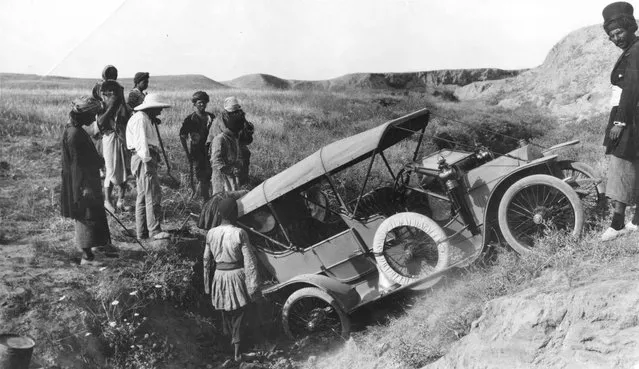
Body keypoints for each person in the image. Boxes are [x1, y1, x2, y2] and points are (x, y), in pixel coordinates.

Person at [60, 96, 118, 266]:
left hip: (86, 179)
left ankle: (94, 249)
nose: (93, 119)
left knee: (92, 214)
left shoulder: (75, 129)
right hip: (82, 182)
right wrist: (84, 187)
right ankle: (87, 257)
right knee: (85, 215)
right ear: (82, 115)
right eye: (91, 115)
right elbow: (77, 164)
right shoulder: (74, 134)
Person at [600, 1, 639, 241]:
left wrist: (620, 123)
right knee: (634, 164)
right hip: (630, 115)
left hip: (630, 117)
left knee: (620, 166)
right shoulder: (632, 50)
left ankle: (617, 224)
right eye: (612, 35)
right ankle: (635, 222)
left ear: (630, 28)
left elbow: (631, 89)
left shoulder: (635, 51)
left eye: (619, 32)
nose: (616, 38)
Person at [203, 197, 259, 362]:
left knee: (226, 312)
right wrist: (253, 285)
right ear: (234, 213)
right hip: (236, 275)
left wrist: (207, 285)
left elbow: (206, 260)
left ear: (220, 213)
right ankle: (238, 351)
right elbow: (250, 261)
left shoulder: (211, 233)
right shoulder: (239, 233)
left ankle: (229, 350)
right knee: (240, 313)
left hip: (219, 276)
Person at [125, 93, 171, 240]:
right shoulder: (140, 119)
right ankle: (154, 230)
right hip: (143, 158)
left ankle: (142, 231)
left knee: (144, 195)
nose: (160, 111)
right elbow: (141, 143)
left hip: (144, 157)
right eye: (158, 108)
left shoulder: (146, 119)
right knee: (152, 194)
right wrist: (147, 160)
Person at [97, 80, 132, 213]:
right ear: (105, 94)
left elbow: (126, 118)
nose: (113, 95)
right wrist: (111, 107)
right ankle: (107, 200)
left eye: (115, 92)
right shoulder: (102, 106)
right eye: (110, 93)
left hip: (122, 139)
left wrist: (120, 102)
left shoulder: (122, 106)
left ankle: (120, 201)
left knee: (124, 170)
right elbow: (100, 123)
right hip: (110, 139)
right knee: (110, 170)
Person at [206, 97, 254, 187]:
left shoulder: (241, 119)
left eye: (236, 110)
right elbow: (218, 141)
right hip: (220, 147)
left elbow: (247, 140)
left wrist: (248, 131)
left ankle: (242, 181)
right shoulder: (218, 121)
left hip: (235, 146)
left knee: (245, 153)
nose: (234, 113)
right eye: (232, 111)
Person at [179, 91, 215, 200]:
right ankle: (205, 200)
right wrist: (187, 153)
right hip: (197, 152)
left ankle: (206, 196)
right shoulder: (190, 119)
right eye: (199, 102)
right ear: (194, 104)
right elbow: (182, 136)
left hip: (210, 151)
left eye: (204, 102)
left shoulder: (211, 117)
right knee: (202, 176)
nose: (202, 105)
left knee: (210, 174)